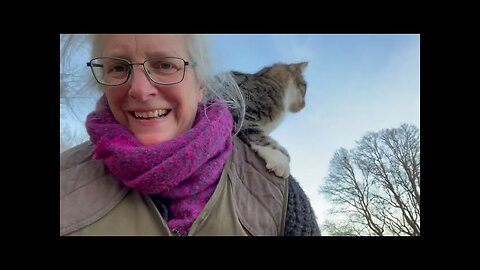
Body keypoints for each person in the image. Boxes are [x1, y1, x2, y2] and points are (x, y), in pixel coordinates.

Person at [60, 34, 321, 236]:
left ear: (201, 85)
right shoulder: (64, 180)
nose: (140, 90)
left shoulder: (277, 194)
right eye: (117, 67)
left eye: (164, 65)